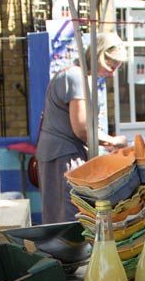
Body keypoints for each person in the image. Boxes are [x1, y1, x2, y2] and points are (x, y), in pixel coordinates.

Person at [37, 32, 129, 224]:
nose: (112, 73)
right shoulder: (76, 77)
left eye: (117, 67)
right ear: (98, 55)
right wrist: (114, 141)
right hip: (64, 156)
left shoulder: (74, 75)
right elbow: (82, 129)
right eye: (110, 65)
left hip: (58, 154)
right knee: (71, 218)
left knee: (59, 216)